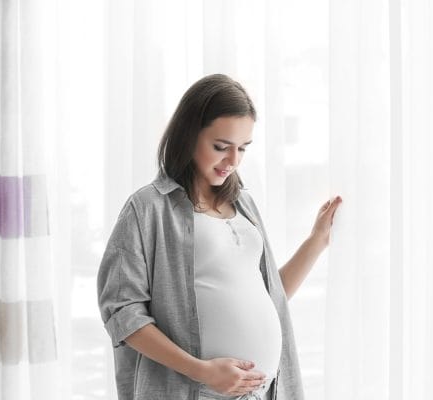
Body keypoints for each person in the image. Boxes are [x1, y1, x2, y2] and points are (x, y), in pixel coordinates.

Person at [97, 74, 342, 400]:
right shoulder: (148, 208)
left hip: (264, 392)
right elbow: (122, 313)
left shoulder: (244, 204)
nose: (233, 161)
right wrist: (202, 371)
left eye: (243, 148)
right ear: (189, 135)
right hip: (194, 392)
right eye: (221, 147)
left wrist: (316, 241)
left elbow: (272, 296)